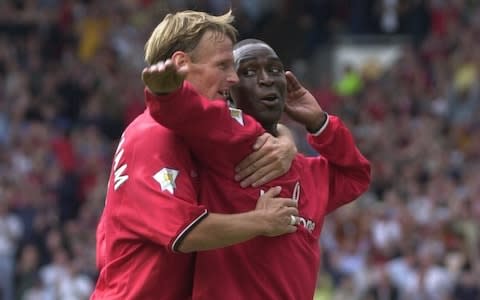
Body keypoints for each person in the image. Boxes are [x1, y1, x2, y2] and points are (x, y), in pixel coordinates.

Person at [91, 12, 302, 300]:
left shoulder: (202, 132)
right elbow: (185, 232)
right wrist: (262, 221)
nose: (232, 77)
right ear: (181, 64)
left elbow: (253, 129)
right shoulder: (152, 135)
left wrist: (286, 141)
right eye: (222, 66)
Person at [143, 39, 371, 299]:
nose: (266, 79)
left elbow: (356, 175)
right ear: (229, 89)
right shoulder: (215, 149)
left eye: (275, 70)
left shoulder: (309, 173)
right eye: (249, 72)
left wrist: (319, 122)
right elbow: (181, 112)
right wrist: (166, 92)